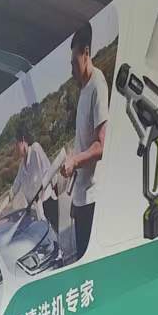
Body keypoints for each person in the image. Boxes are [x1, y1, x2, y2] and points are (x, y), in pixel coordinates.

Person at [62, 22, 107, 261]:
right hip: (81, 199)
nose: (71, 70)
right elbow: (82, 144)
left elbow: (101, 145)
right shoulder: (83, 91)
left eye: (73, 63)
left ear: (86, 53)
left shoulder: (98, 85)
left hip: (92, 199)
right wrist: (74, 199)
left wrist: (74, 161)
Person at [0, 119, 59, 246]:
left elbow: (49, 173)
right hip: (37, 214)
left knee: (56, 240)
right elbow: (12, 192)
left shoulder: (36, 149)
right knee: (46, 244)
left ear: (23, 140)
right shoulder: (22, 167)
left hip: (48, 203)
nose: (16, 148)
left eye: (16, 144)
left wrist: (46, 195)